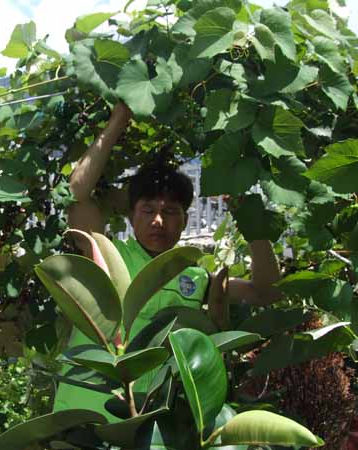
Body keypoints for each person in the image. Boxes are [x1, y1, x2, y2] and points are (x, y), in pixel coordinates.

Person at [54, 102, 281, 421]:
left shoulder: (196, 277)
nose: (158, 221)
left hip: (149, 424)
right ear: (131, 216)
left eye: (170, 212)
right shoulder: (106, 255)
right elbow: (77, 194)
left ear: (185, 220)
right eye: (148, 210)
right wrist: (119, 119)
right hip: (83, 415)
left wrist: (251, 220)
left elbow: (265, 291)